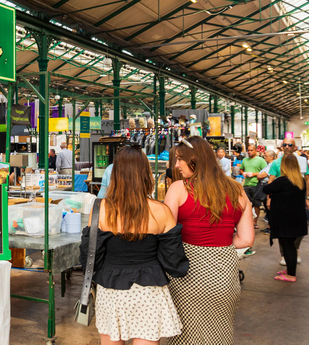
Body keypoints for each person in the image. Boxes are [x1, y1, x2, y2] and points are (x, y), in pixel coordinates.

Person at [79, 146, 188, 344]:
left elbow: (88, 254)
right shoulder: (161, 211)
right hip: (149, 290)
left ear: (116, 174)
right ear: (146, 174)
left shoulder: (100, 209)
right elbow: (174, 260)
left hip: (110, 288)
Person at [163, 136, 254, 345]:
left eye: (179, 159)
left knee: (186, 337)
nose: (176, 165)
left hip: (187, 277)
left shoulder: (178, 188)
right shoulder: (237, 189)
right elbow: (247, 239)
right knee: (218, 336)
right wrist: (219, 242)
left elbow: (167, 235)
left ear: (194, 159)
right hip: (225, 278)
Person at [262, 154, 309, 282]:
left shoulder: (282, 181)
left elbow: (266, 189)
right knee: (291, 246)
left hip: (284, 220)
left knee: (287, 246)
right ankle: (290, 269)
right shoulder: (300, 180)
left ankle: (291, 275)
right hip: (297, 218)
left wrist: (268, 179)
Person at [266, 137, 309, 264]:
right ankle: (284, 254)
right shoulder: (276, 163)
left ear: (294, 147)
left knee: (299, 227)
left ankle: (295, 249)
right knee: (283, 229)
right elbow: (271, 180)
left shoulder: (302, 161)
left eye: (290, 145)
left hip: (297, 199)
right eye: (284, 145)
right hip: (281, 201)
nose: (287, 147)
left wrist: (307, 197)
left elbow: (307, 180)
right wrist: (269, 199)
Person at [240, 146, 267, 230]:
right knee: (246, 204)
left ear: (255, 151)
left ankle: (255, 221)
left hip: (257, 185)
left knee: (256, 204)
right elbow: (241, 169)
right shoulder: (245, 160)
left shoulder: (261, 160)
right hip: (246, 185)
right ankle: (247, 221)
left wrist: (254, 174)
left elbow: (265, 171)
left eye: (251, 150)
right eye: (248, 150)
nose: (250, 152)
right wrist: (243, 173)